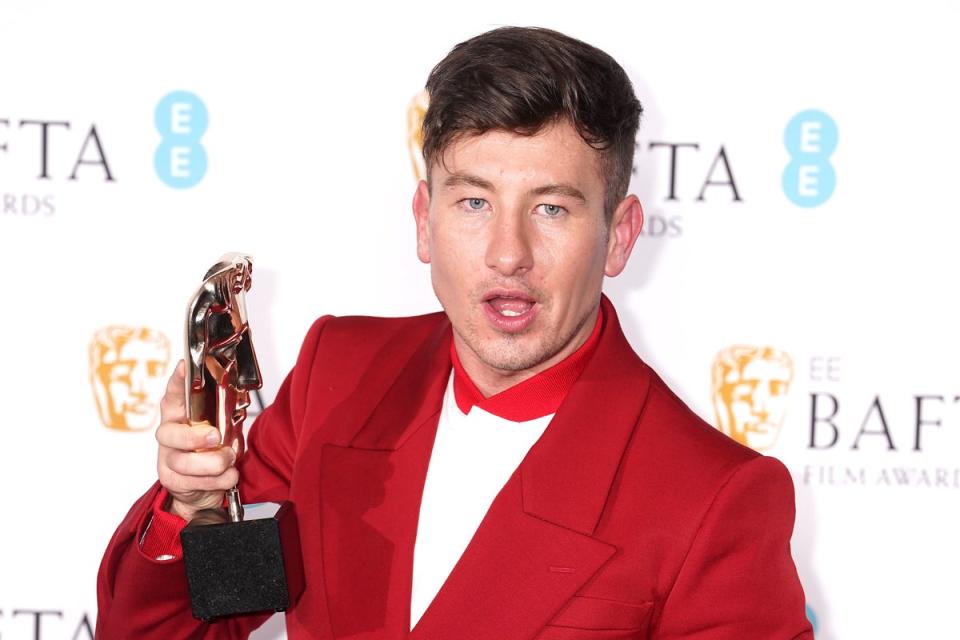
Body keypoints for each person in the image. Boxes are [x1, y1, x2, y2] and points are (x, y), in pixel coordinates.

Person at [97, 26, 813, 639]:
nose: (508, 252)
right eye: (474, 201)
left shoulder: (717, 498)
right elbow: (175, 626)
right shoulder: (338, 373)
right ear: (423, 220)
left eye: (552, 209)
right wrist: (192, 507)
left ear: (619, 237)